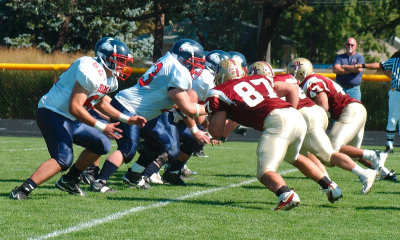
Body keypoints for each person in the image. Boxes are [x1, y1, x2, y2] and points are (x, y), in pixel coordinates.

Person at [9, 38, 147, 200]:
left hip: (70, 119)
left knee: (101, 144)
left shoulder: (110, 79)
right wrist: (103, 126)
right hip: (53, 112)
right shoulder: (90, 68)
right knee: (63, 158)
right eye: (119, 61)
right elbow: (75, 107)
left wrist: (127, 119)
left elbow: (100, 101)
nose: (122, 66)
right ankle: (22, 190)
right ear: (105, 57)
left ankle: (69, 180)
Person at [205, 59, 343, 211]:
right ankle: (330, 186)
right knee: (293, 157)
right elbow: (292, 89)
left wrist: (211, 118)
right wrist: (291, 110)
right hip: (295, 116)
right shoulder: (259, 78)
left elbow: (216, 132)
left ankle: (286, 194)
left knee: (265, 171)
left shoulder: (219, 92)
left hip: (276, 121)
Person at [85, 38, 211, 192]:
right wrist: (212, 108)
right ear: (184, 58)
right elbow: (186, 108)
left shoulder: (168, 60)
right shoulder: (179, 71)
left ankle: (134, 176)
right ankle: (99, 182)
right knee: (128, 148)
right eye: (194, 62)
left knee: (162, 142)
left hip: (141, 111)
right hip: (130, 108)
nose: (196, 67)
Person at [248, 61, 378, 194]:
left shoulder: (270, 85)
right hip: (310, 114)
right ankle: (327, 183)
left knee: (329, 155)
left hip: (306, 116)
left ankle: (364, 173)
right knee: (299, 154)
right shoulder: (286, 78)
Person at [289, 57, 396, 182]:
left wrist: (319, 125)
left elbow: (323, 105)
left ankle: (375, 154)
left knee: (333, 148)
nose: (291, 76)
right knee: (352, 154)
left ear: (301, 72)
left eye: (292, 73)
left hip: (349, 111)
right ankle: (385, 173)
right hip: (355, 110)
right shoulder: (315, 78)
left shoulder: (310, 81)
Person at [355, 50, 400, 156]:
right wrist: (363, 65)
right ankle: (389, 144)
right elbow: (380, 65)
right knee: (393, 118)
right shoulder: (395, 61)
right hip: (396, 92)